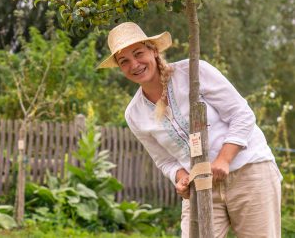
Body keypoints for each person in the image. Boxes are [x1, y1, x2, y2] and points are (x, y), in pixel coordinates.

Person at [98, 22, 282, 238]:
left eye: (138, 53)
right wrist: (182, 177)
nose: (134, 64)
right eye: (124, 61)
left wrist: (224, 159)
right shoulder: (134, 113)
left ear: (153, 50)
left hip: (248, 172)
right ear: (120, 68)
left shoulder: (193, 72)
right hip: (200, 185)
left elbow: (242, 114)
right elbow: (164, 160)